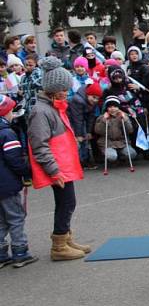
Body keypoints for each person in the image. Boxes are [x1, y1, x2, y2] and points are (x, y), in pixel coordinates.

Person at [27, 57, 91, 260]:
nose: (67, 92)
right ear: (53, 89)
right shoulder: (41, 111)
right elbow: (39, 145)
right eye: (64, 89)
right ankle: (59, 246)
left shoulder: (53, 106)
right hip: (57, 167)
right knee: (66, 202)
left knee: (67, 202)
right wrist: (54, 170)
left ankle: (66, 237)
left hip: (63, 165)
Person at [0, 94, 37, 268]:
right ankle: (20, 251)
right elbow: (14, 159)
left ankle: (1, 254)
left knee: (1, 220)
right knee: (16, 217)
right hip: (7, 184)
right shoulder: (7, 133)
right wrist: (27, 172)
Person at [94, 96, 136, 167]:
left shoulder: (124, 116)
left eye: (115, 106)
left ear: (118, 107)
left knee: (132, 154)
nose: (112, 109)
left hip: (122, 142)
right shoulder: (102, 117)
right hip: (107, 143)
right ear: (107, 108)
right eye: (110, 107)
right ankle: (110, 158)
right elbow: (98, 131)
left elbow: (130, 130)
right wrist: (104, 120)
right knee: (112, 156)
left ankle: (121, 157)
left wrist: (125, 119)